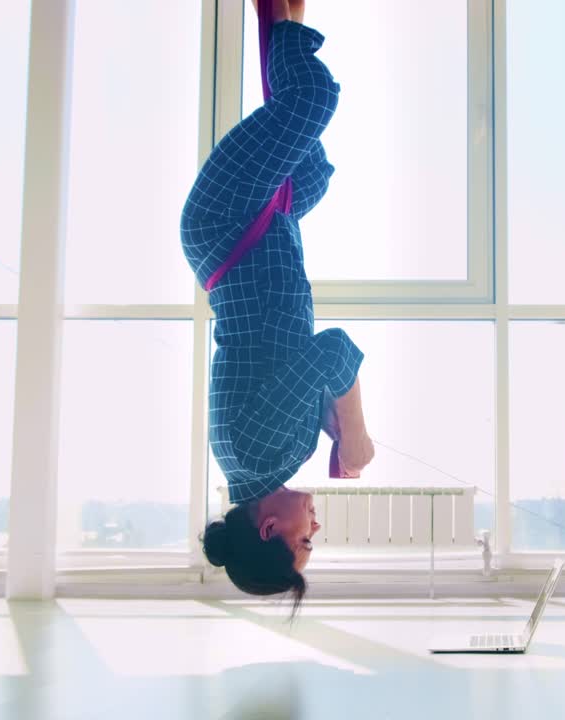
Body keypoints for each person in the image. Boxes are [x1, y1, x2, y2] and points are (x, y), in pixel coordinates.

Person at [179, 0, 373, 609]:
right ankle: (283, 16)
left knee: (311, 101)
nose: (315, 530)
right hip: (269, 227)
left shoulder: (261, 454)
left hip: (230, 223)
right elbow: (292, 364)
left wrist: (359, 433)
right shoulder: (267, 459)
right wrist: (330, 417)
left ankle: (281, 16)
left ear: (269, 530)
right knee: (313, 170)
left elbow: (332, 351)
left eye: (304, 543)